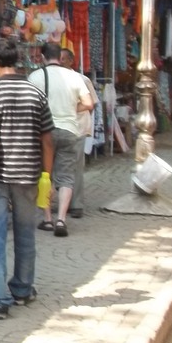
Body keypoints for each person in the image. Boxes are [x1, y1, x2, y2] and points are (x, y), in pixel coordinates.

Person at [0, 35, 54, 320]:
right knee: (25, 232)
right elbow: (48, 140)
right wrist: (47, 176)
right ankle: (22, 289)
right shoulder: (35, 92)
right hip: (29, 175)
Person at [29, 42, 93, 237]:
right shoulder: (74, 76)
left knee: (45, 174)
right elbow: (89, 103)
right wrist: (72, 110)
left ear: (43, 57)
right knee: (66, 176)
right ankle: (62, 219)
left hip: (45, 131)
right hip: (69, 130)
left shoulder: (36, 76)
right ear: (59, 56)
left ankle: (48, 218)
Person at [60, 47, 99, 218]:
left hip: (78, 127)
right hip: (58, 127)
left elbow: (92, 103)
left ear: (71, 61)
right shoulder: (54, 80)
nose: (60, 62)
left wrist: (73, 110)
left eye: (63, 59)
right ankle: (62, 202)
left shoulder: (82, 79)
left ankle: (76, 204)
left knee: (76, 166)